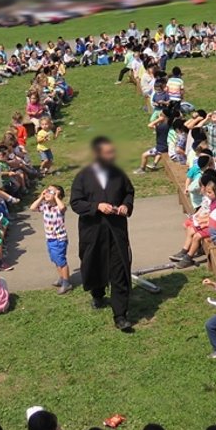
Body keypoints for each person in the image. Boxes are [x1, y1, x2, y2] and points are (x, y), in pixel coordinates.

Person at [70, 136, 136, 333]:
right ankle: (97, 293)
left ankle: (120, 315)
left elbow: (129, 192)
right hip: (93, 232)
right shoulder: (83, 176)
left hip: (116, 231)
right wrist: (96, 206)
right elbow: (75, 203)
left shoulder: (119, 174)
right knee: (93, 265)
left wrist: (126, 205)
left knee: (119, 270)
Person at [37, 185, 72, 294]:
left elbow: (62, 208)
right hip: (50, 239)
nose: (47, 192)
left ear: (58, 195)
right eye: (47, 190)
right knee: (56, 260)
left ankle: (67, 283)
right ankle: (61, 277)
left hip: (59, 239)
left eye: (51, 192)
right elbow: (32, 208)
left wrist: (56, 197)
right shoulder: (45, 206)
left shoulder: (59, 208)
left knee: (61, 261)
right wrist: (41, 197)